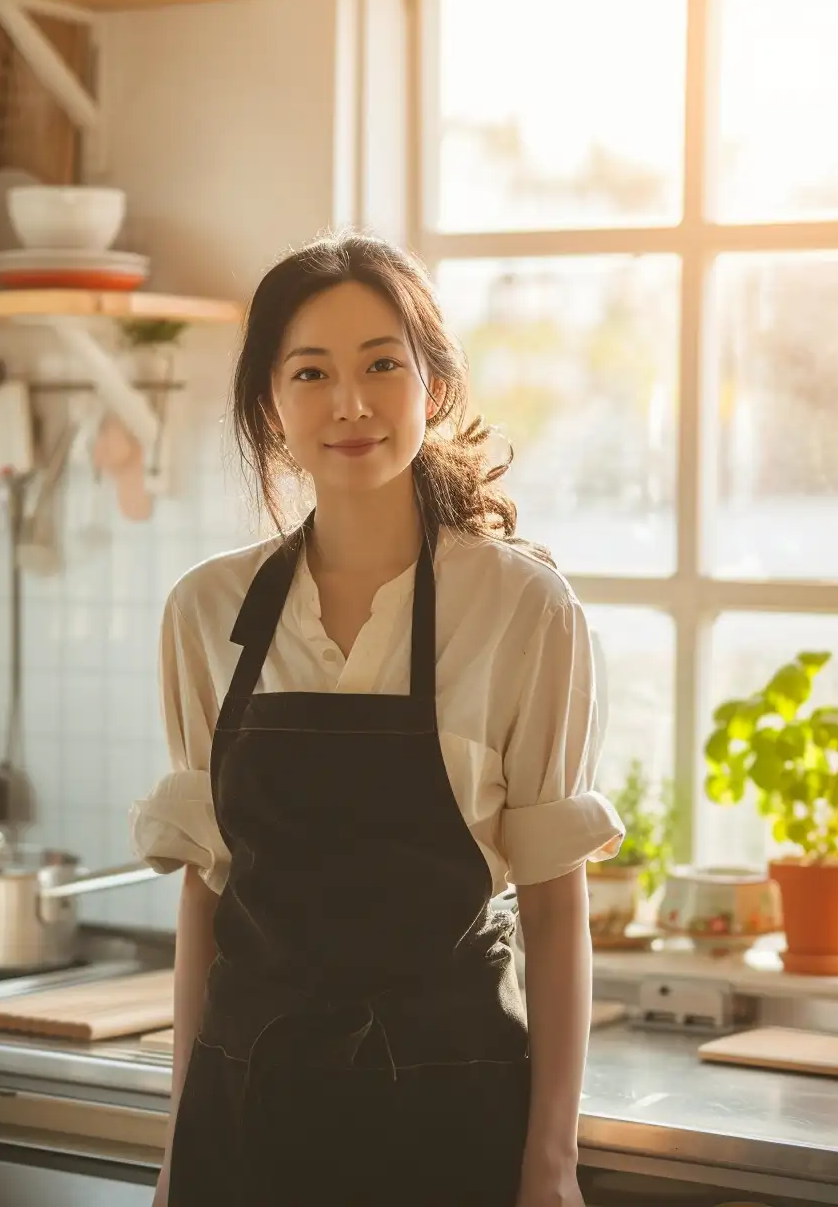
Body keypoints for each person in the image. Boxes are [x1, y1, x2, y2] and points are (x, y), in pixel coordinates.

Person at [131, 233, 622, 1207]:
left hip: (448, 1120)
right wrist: (181, 1147)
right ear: (271, 404)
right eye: (310, 371)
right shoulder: (205, 610)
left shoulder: (521, 607)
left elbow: (554, 902)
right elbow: (206, 897)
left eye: (381, 365)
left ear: (431, 388)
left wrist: (550, 1160)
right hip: (246, 1123)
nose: (349, 403)